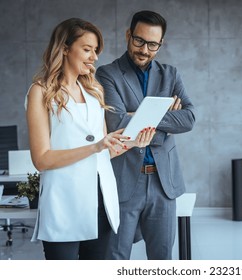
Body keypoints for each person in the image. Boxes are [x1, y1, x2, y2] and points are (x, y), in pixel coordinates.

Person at [26, 18, 155, 260]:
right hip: (64, 203)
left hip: (101, 203)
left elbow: (104, 152)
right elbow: (41, 159)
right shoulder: (40, 92)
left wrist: (133, 143)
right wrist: (95, 146)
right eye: (87, 49)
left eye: (95, 51)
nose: (94, 57)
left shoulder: (93, 93)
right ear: (64, 48)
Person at [96, 10, 196, 260]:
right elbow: (117, 122)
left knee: (162, 261)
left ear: (160, 44)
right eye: (139, 40)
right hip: (125, 180)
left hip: (163, 182)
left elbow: (189, 118)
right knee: (116, 259)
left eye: (153, 44)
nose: (144, 49)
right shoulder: (107, 74)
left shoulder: (170, 74)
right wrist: (164, 115)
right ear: (129, 35)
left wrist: (138, 116)